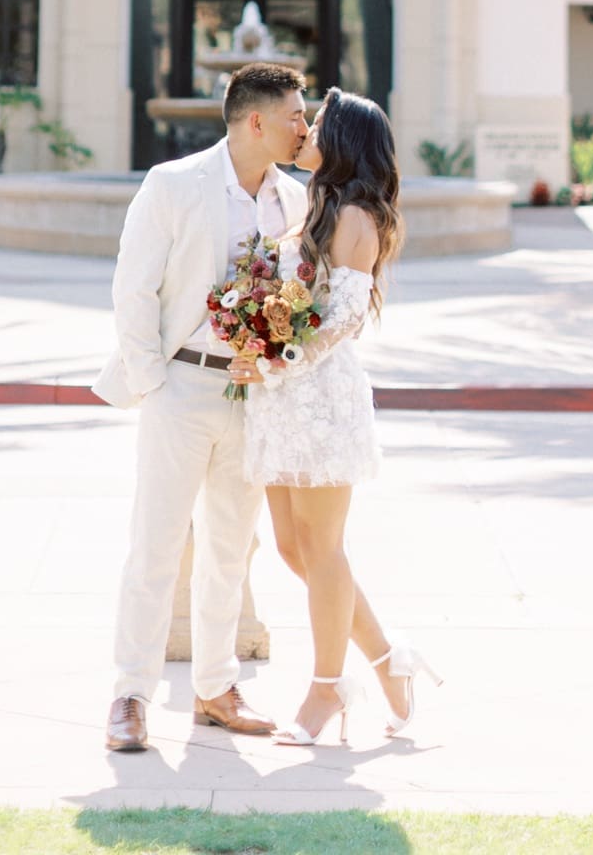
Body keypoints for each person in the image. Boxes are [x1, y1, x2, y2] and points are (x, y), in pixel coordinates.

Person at [97, 60, 310, 754]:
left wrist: (272, 362)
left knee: (230, 551)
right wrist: (153, 381)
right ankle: (131, 694)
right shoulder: (173, 183)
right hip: (179, 388)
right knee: (156, 545)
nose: (304, 128)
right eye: (295, 116)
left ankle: (216, 690)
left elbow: (298, 302)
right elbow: (133, 287)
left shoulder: (295, 201)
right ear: (257, 121)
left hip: (252, 398)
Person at [232, 85, 442, 745]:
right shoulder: (314, 204)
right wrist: (252, 334)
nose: (306, 132)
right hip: (279, 400)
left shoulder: (356, 215)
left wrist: (276, 359)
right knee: (294, 549)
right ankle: (388, 657)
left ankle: (327, 687)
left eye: (318, 123)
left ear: (345, 140)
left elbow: (345, 317)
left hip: (321, 400)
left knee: (322, 550)